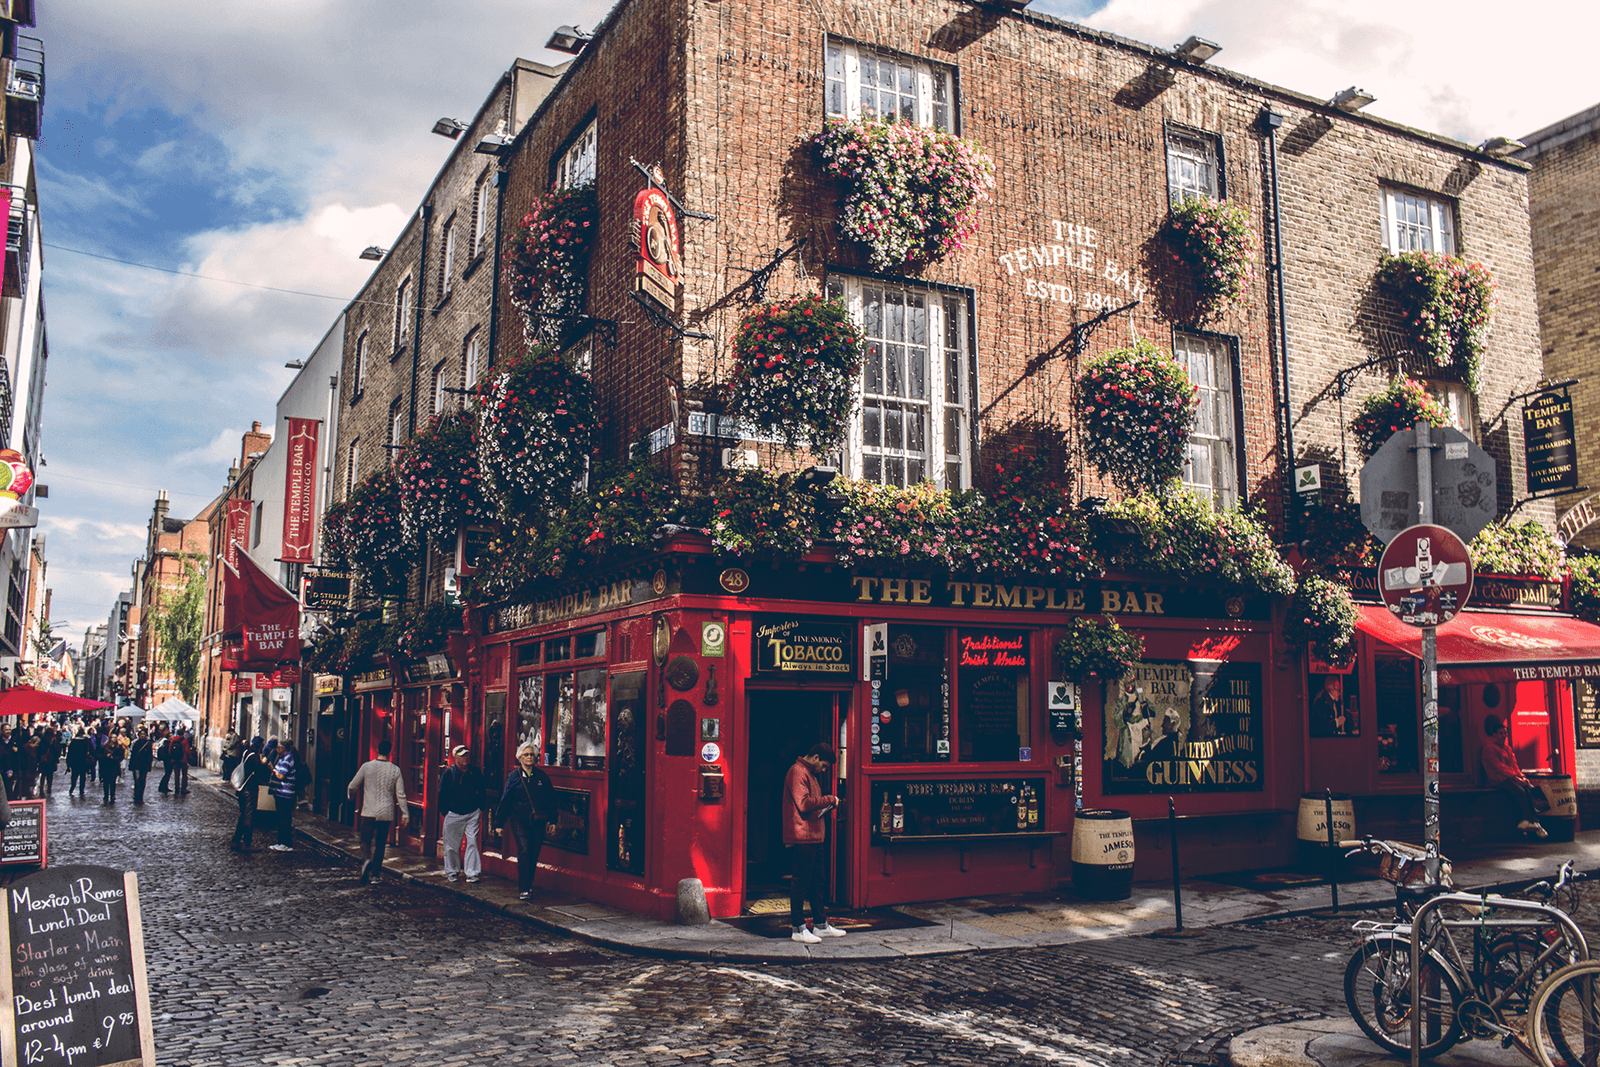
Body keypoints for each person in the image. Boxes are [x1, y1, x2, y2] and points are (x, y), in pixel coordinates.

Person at [783, 743, 846, 943]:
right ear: (816, 757)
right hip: (803, 836)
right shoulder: (797, 772)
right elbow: (803, 804)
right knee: (801, 883)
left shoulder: (808, 774)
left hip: (814, 836)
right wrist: (829, 800)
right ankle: (798, 928)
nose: (824, 770)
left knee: (818, 882)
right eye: (824, 766)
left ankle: (820, 924)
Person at [493, 742, 553, 901]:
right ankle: (524, 888)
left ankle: (529, 884)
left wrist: (553, 820)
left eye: (532, 755)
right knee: (524, 851)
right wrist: (498, 823)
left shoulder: (541, 776)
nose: (529, 758)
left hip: (538, 821)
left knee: (533, 854)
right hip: (519, 820)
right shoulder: (513, 777)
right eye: (526, 755)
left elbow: (550, 799)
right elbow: (505, 800)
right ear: (519, 757)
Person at [347, 739, 407, 884]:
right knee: (381, 843)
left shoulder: (367, 767)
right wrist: (405, 813)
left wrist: (351, 797)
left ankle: (366, 860)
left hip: (369, 811)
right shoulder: (395, 770)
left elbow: (352, 786)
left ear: (377, 750)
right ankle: (375, 875)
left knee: (365, 841)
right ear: (390, 752)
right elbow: (401, 794)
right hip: (386, 813)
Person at [1482, 714, 1548, 839]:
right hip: (1496, 779)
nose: (1504, 736)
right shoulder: (1489, 749)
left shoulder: (1507, 749)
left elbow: (1514, 765)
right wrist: (1515, 777)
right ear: (1494, 734)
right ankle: (1534, 822)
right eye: (1501, 733)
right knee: (1521, 792)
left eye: (1505, 733)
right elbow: (1499, 767)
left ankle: (1528, 821)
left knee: (1530, 788)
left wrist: (1522, 777)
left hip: (1508, 778)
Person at [438, 745, 486, 884]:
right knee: (452, 846)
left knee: (472, 843)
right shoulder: (449, 774)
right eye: (461, 756)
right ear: (455, 758)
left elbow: (481, 789)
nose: (464, 758)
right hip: (454, 813)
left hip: (472, 813)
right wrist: (446, 812)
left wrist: (480, 807)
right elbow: (442, 794)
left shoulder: (475, 772)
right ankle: (452, 872)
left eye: (466, 755)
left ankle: (472, 873)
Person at [231, 737, 269, 851]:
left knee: (243, 815)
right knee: (249, 816)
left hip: (242, 789)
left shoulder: (246, 752)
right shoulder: (254, 757)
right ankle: (247, 843)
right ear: (259, 745)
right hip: (250, 789)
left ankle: (236, 840)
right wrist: (264, 764)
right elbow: (260, 773)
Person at [269, 738, 299, 851]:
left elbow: (281, 776)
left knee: (284, 818)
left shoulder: (287, 758)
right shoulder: (283, 757)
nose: (276, 749)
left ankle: (286, 843)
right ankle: (281, 842)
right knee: (281, 817)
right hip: (281, 793)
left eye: (278, 747)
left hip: (284, 793)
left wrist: (273, 769)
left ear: (282, 748)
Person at [128, 726, 154, 804]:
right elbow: (133, 755)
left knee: (142, 781)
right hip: (136, 765)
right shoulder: (135, 743)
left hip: (144, 765)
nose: (142, 735)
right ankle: (137, 796)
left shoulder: (148, 744)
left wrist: (149, 766)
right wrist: (131, 765)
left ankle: (140, 796)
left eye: (144, 734)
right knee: (137, 780)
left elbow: (150, 755)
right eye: (141, 734)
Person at [98, 728, 125, 804]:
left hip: (114, 766)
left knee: (113, 782)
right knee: (106, 782)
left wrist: (114, 758)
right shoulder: (105, 746)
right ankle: (106, 795)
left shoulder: (118, 747)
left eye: (115, 738)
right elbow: (99, 755)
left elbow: (121, 756)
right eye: (112, 738)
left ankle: (112, 795)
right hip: (106, 766)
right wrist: (106, 756)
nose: (113, 739)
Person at [66, 727, 90, 797]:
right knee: (82, 777)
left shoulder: (73, 741)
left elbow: (69, 753)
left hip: (74, 762)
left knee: (74, 776)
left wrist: (68, 764)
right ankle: (81, 790)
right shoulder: (86, 741)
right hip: (83, 761)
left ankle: (72, 788)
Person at [36, 726, 59, 797]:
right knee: (50, 775)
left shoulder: (43, 739)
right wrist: (56, 760)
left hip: (43, 760)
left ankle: (41, 789)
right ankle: (49, 788)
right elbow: (56, 750)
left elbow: (39, 750)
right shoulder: (54, 740)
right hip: (51, 760)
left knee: (43, 775)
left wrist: (38, 760)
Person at [157, 725, 179, 794]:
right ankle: (162, 787)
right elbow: (169, 752)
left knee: (167, 773)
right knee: (167, 773)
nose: (173, 736)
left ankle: (164, 786)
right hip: (168, 760)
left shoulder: (166, 742)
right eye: (171, 735)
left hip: (167, 760)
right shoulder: (168, 743)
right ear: (169, 737)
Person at [171, 727, 191, 796]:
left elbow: (169, 750)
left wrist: (172, 757)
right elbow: (187, 750)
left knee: (176, 775)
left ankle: (176, 789)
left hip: (175, 760)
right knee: (184, 775)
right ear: (183, 733)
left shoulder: (173, 740)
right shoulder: (185, 741)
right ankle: (183, 789)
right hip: (183, 760)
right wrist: (189, 757)